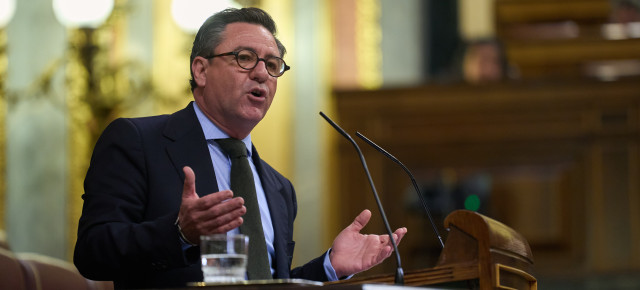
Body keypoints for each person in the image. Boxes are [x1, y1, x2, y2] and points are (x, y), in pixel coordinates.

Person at [73, 7, 407, 289]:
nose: (262, 73)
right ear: (201, 70)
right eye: (244, 58)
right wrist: (178, 234)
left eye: (273, 65)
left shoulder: (280, 188)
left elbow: (265, 282)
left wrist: (330, 267)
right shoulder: (138, 141)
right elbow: (92, 253)